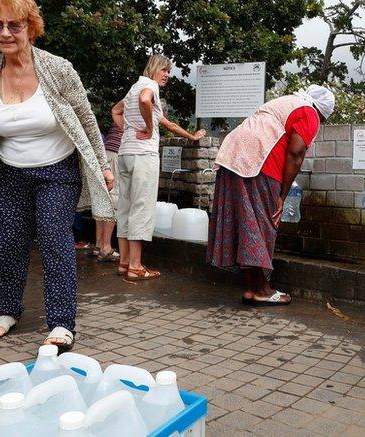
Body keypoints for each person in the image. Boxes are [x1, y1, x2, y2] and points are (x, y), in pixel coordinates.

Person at [0, 0, 116, 352]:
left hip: (57, 170)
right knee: (8, 241)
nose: (6, 32)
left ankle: (62, 322)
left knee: (53, 238)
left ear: (31, 26)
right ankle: (8, 309)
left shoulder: (58, 69)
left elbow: (86, 117)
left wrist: (103, 165)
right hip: (9, 173)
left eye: (15, 24)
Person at [207, 85, 334, 305]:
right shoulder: (310, 112)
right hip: (260, 163)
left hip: (231, 155)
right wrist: (283, 196)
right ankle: (262, 290)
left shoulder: (285, 102)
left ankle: (252, 288)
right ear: (322, 112)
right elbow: (295, 153)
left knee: (245, 223)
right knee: (264, 222)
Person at [111, 55, 206, 280]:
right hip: (144, 155)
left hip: (125, 154)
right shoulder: (149, 86)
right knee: (142, 208)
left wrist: (192, 136)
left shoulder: (133, 88)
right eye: (164, 70)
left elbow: (116, 111)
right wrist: (148, 128)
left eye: (168, 72)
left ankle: (124, 263)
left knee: (125, 207)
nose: (166, 75)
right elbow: (145, 100)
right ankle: (135, 266)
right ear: (153, 69)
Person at [95, 122, 123, 262]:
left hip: (106, 154)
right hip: (116, 154)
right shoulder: (142, 107)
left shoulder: (124, 107)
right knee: (113, 199)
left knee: (104, 197)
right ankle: (106, 247)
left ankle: (99, 244)